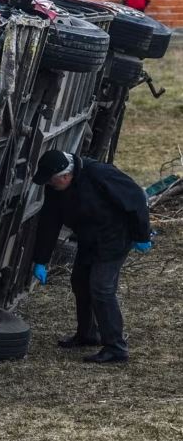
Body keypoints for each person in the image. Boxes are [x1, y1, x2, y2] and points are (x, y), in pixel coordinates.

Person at [31, 150, 152, 364]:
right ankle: (87, 334)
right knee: (79, 283)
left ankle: (116, 348)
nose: (49, 185)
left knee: (102, 289)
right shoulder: (56, 189)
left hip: (115, 237)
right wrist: (41, 259)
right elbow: (49, 223)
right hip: (89, 239)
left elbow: (135, 198)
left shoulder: (99, 174)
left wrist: (141, 234)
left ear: (65, 176)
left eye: (51, 181)